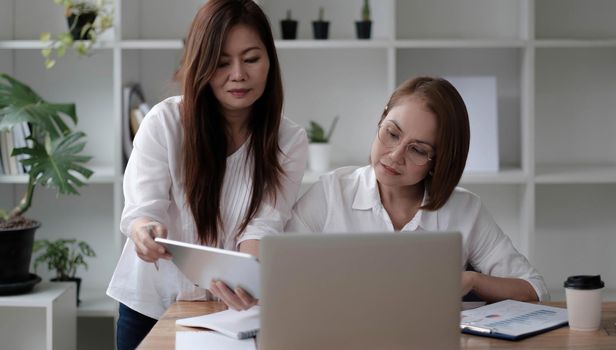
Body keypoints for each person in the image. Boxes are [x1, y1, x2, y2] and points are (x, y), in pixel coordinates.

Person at [107, 1, 308, 348]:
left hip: (229, 309)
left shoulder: (289, 140)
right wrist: (145, 233)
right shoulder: (164, 122)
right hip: (151, 305)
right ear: (201, 63)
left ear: (270, 61)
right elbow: (142, 212)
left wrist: (249, 277)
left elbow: (263, 224)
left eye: (251, 59)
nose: (238, 75)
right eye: (221, 62)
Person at [286, 76, 548, 303]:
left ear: (439, 161)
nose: (395, 155)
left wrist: (472, 281)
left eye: (418, 150)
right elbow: (278, 271)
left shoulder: (465, 210)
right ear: (381, 120)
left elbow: (534, 289)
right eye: (392, 133)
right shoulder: (331, 193)